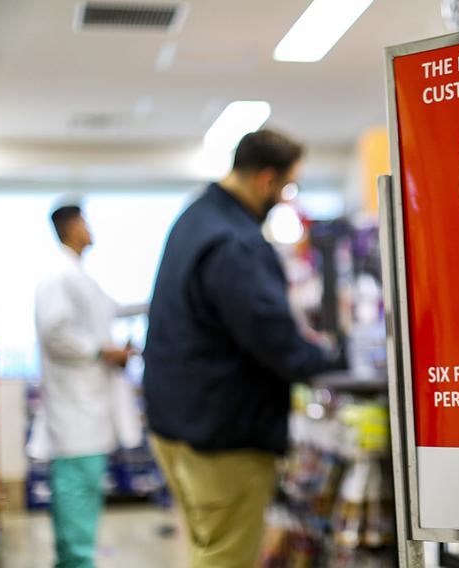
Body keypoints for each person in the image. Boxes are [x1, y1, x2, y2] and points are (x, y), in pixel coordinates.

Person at [143, 129, 334, 567]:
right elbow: (272, 336)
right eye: (287, 187)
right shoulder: (235, 241)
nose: (286, 198)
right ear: (266, 179)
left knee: (208, 545)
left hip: (177, 423)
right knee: (228, 556)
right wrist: (323, 360)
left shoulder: (196, 217)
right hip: (222, 435)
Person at [34, 201, 138, 568]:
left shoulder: (80, 278)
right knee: (77, 496)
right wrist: (103, 351)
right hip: (75, 409)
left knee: (80, 496)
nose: (90, 228)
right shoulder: (59, 277)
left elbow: (114, 310)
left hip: (87, 409)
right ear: (72, 227)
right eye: (85, 222)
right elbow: (56, 332)